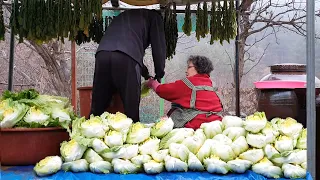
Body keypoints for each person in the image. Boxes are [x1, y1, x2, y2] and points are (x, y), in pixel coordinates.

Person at [90, 9, 166, 122]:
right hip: (127, 59)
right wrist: (159, 74)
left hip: (102, 54)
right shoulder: (155, 17)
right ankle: (133, 135)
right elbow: (158, 47)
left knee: (97, 109)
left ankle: (88, 135)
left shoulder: (125, 16)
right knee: (131, 111)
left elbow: (125, 50)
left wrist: (145, 74)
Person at [147, 55, 223, 129]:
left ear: (199, 68)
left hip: (195, 126)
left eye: (189, 67)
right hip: (216, 125)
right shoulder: (211, 84)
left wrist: (152, 83)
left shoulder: (188, 83)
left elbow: (163, 90)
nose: (186, 71)